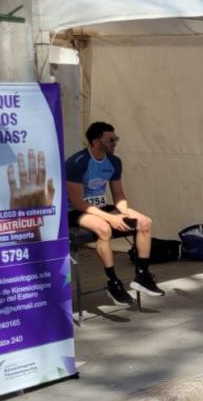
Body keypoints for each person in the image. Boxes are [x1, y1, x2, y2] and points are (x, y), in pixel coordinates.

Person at [64, 121, 165, 304]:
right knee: (103, 228)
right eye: (110, 139)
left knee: (145, 222)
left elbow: (118, 195)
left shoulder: (114, 161)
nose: (115, 142)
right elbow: (79, 203)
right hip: (74, 211)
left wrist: (124, 213)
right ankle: (113, 282)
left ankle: (142, 276)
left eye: (116, 139)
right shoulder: (76, 163)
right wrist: (110, 217)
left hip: (100, 207)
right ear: (95, 142)